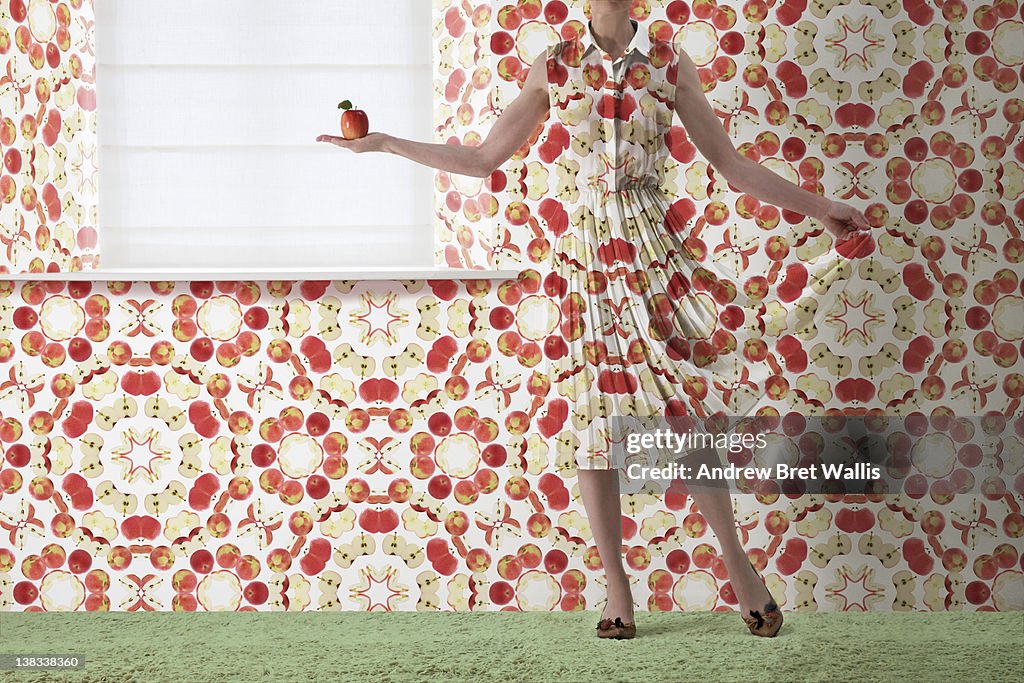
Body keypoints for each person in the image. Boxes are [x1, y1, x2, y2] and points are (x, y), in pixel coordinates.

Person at [317, 0, 871, 640]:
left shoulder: (667, 60)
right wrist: (384, 142)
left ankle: (739, 568)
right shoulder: (554, 64)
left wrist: (824, 206)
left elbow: (733, 166)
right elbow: (484, 158)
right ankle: (617, 588)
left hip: (653, 252)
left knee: (681, 410)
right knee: (594, 418)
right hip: (586, 264)